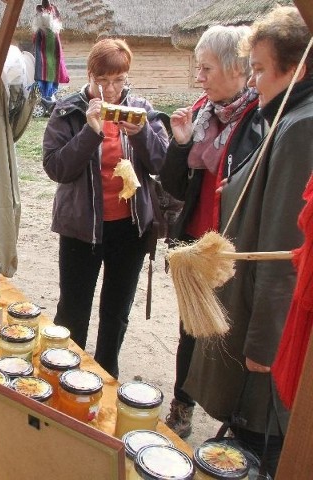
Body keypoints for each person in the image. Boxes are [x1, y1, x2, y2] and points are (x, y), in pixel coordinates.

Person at [183, 7, 313, 475]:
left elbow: (286, 247)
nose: (252, 82)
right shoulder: (286, 116)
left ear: (297, 68)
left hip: (273, 329)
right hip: (264, 315)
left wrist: (264, 344)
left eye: (259, 70)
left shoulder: (301, 127)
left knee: (263, 436)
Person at [159, 25, 265, 439]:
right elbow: (171, 184)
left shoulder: (260, 118)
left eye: (206, 67)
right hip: (194, 245)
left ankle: (232, 420)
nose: (198, 77)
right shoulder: (202, 110)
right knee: (191, 329)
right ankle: (182, 404)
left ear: (238, 69)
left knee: (230, 336)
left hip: (231, 250)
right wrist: (181, 144)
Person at [42, 38, 169, 379]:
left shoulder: (141, 110)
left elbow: (161, 162)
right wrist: (90, 132)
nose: (111, 90)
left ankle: (106, 372)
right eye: (104, 80)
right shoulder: (68, 110)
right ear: (91, 75)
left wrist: (141, 134)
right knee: (74, 309)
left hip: (129, 228)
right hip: (82, 228)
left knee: (116, 312)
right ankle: (66, 372)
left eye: (119, 80)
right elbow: (56, 168)